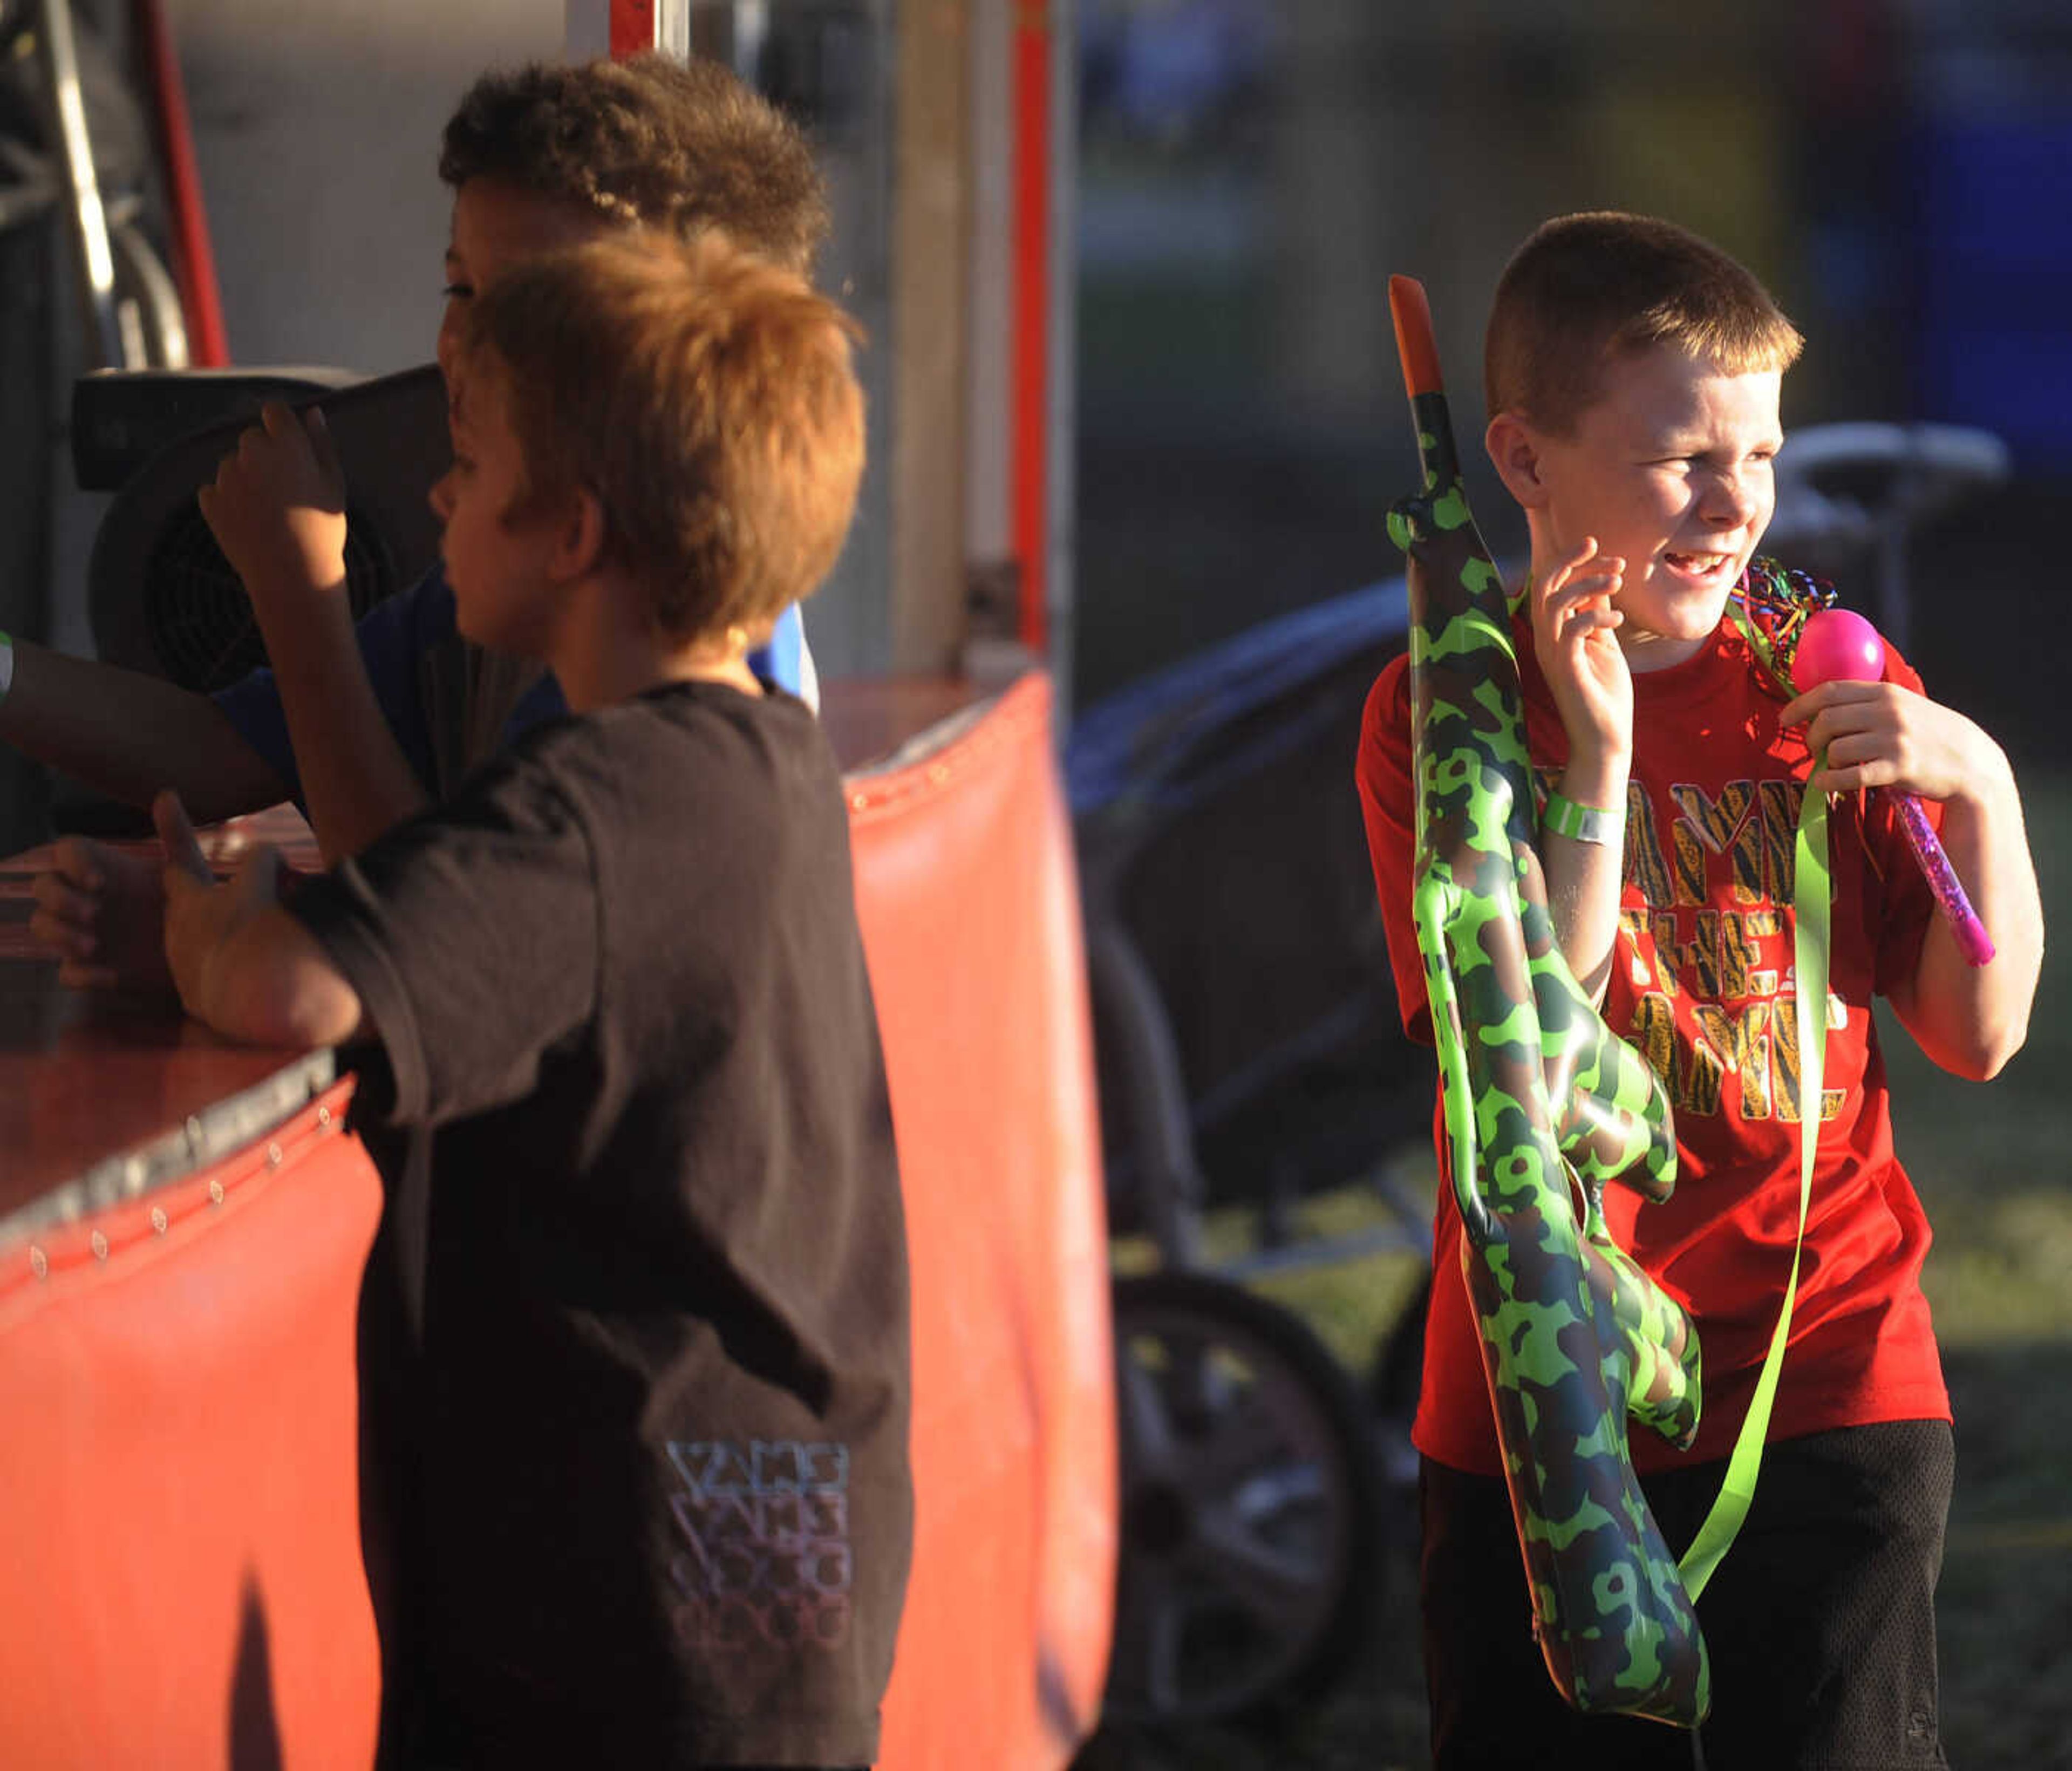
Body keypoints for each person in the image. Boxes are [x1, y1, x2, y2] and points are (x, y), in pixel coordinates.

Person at [153, 229, 908, 1769]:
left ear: (567, 530)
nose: (433, 498)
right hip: (761, 1592)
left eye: (469, 461)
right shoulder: (759, 769)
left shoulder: (595, 807)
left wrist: (209, 936)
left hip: (629, 1640)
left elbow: (305, 991)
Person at [1356, 211, 2043, 1768]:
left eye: (1765, 455)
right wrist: (1596, 764)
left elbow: (1980, 1036)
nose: (1740, 506)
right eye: (1686, 460)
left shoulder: (1828, 684)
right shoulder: (1439, 719)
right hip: (1547, 1416)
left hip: (1833, 1379)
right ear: (1525, 462)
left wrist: (1981, 785)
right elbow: (1532, 1068)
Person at [9, 52, 825, 937]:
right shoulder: (512, 582)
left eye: (525, 310)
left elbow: (417, 929)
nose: (460, 344)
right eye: (460, 288)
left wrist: (299, 594)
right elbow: (216, 754)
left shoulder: (650, 671)